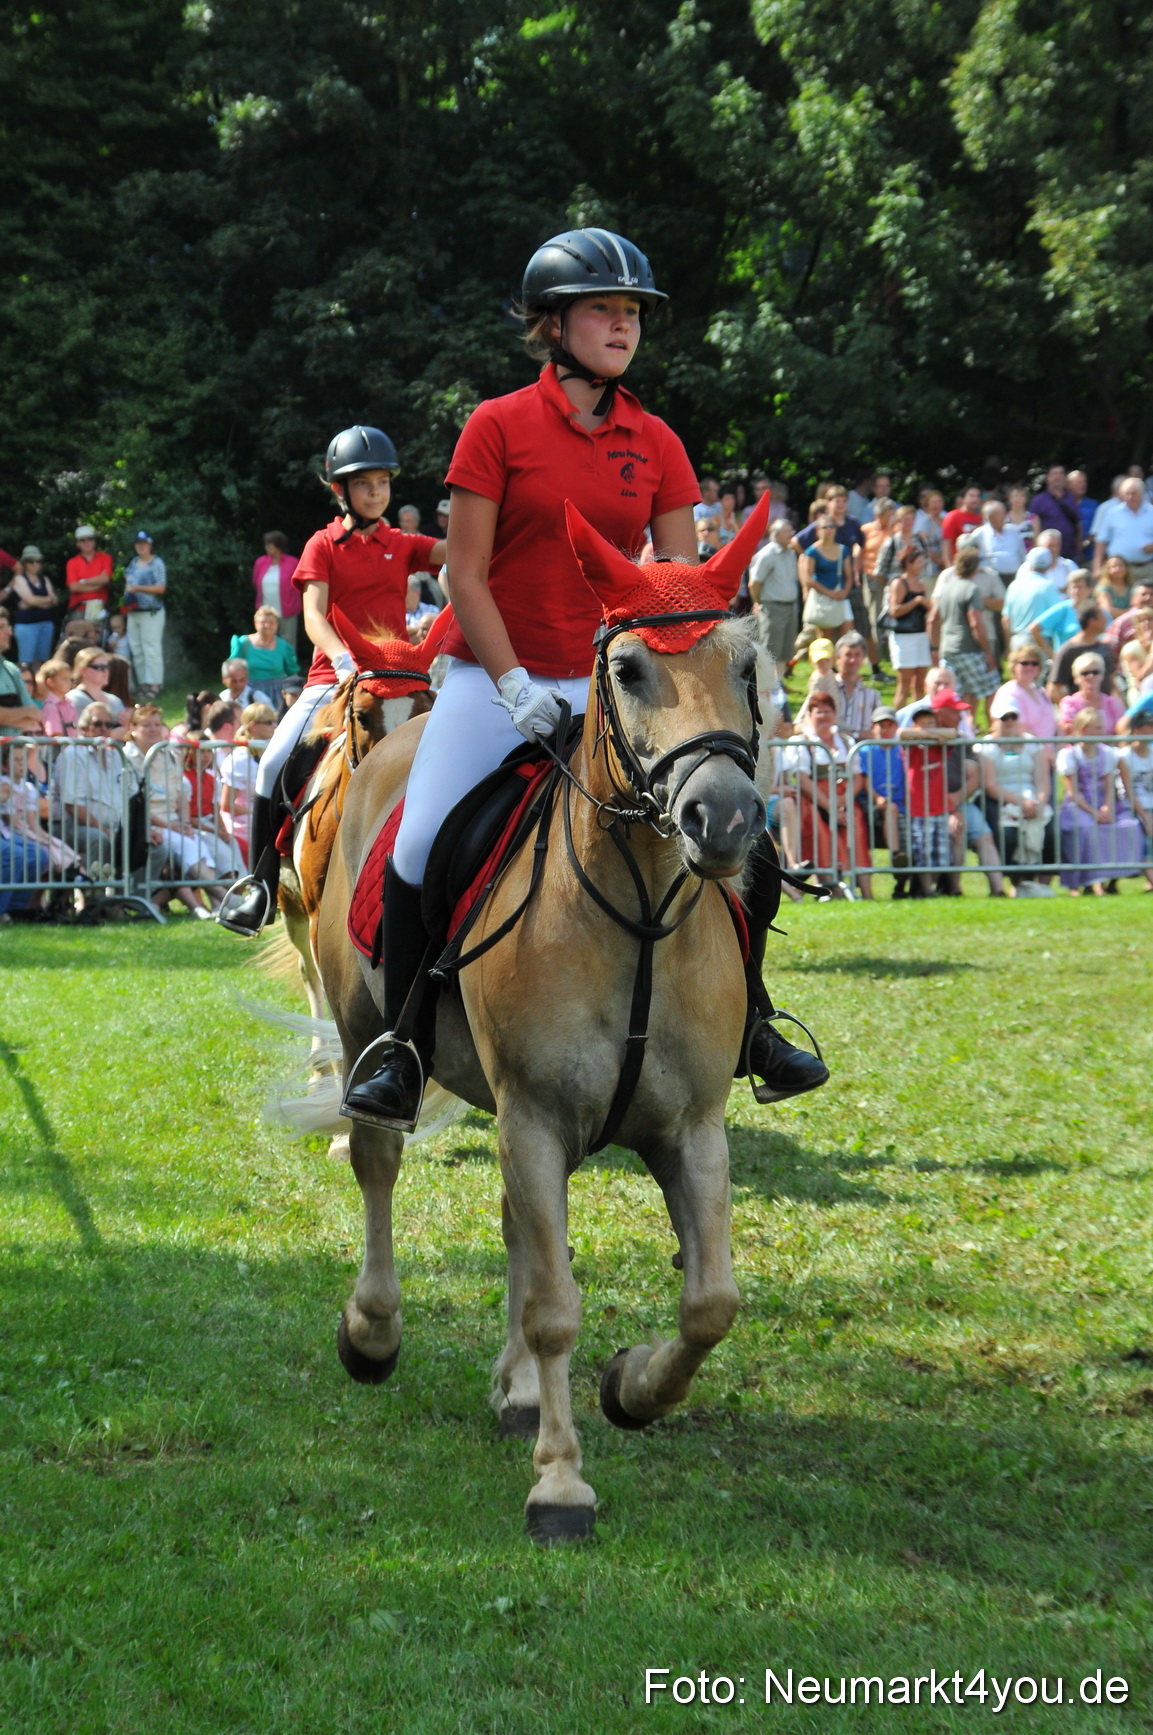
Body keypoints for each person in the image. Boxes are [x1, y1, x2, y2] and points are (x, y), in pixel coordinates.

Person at [340, 226, 827, 1128]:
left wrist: (712, 683)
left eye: (633, 311)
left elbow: (684, 597)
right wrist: (514, 680)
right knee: (419, 842)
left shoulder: (657, 440)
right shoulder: (497, 426)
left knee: (742, 840)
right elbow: (466, 574)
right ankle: (402, 1046)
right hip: (495, 679)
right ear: (552, 324)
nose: (623, 325)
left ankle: (754, 1022)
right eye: (603, 308)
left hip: (618, 685)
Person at [217, 424, 447, 936]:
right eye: (365, 484)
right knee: (271, 763)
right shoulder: (322, 544)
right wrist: (343, 658)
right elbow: (314, 614)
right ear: (340, 489)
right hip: (334, 677)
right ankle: (257, 886)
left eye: (383, 483)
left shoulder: (401, 543)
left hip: (399, 680)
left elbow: (461, 550)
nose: (376, 493)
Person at [123, 705, 217, 917]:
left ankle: (217, 902)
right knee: (181, 845)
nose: (153, 729)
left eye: (157, 724)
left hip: (173, 823)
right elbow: (134, 804)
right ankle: (214, 898)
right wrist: (172, 826)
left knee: (200, 842)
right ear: (133, 727)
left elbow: (181, 795)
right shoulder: (125, 758)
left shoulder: (168, 756)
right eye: (146, 725)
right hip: (145, 824)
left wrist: (183, 824)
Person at [781, 690, 873, 895]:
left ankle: (867, 891)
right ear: (810, 715)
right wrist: (830, 806)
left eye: (828, 711)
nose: (823, 716)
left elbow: (857, 777)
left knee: (856, 826)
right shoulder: (801, 742)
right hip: (814, 800)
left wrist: (843, 801)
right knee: (820, 831)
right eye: (818, 712)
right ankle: (830, 889)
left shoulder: (847, 742)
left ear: (835, 713)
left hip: (845, 799)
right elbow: (803, 781)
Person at [1057, 707, 1144, 892]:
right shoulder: (1069, 755)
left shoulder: (1107, 753)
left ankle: (1113, 879)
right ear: (1083, 729)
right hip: (1080, 806)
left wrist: (1107, 808)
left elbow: (1108, 785)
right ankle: (1086, 882)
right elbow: (1073, 792)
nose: (1101, 732)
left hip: (1103, 803)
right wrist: (1094, 812)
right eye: (1096, 727)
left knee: (1130, 826)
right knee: (1087, 829)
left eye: (1101, 727)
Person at [974, 696, 1053, 889]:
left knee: (1051, 831)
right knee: (1008, 835)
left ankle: (1043, 885)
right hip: (1000, 799)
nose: (1009, 721)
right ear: (994, 720)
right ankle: (1016, 882)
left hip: (1032, 797)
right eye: (1004, 718)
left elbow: (1043, 778)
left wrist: (1040, 802)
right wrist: (1020, 803)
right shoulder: (985, 746)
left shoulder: (1032, 743)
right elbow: (990, 785)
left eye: (1013, 716)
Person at [929, 546, 1000, 725]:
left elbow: (932, 620)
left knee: (962, 693)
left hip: (948, 648)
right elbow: (975, 623)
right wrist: (988, 652)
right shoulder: (972, 589)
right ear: (975, 568)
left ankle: (966, 728)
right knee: (993, 688)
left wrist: (935, 647)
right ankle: (994, 729)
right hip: (968, 648)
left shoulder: (946, 588)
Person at [51, 703, 123, 874]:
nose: (104, 729)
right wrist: (103, 829)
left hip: (111, 826)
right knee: (99, 839)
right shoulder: (73, 754)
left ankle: (130, 896)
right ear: (83, 728)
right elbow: (73, 806)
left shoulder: (116, 756)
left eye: (109, 725)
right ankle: (90, 892)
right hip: (70, 826)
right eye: (98, 724)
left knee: (144, 842)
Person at [855, 706, 910, 895]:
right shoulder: (864, 751)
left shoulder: (902, 751)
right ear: (873, 727)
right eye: (881, 725)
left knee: (911, 841)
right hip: (871, 805)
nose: (885, 729)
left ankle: (902, 885)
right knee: (891, 809)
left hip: (901, 806)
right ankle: (895, 854)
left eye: (889, 725)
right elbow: (864, 779)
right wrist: (878, 798)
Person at [218, 702, 277, 867]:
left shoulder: (270, 752)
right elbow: (227, 805)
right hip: (242, 825)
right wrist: (259, 811)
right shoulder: (240, 759)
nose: (275, 726)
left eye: (274, 721)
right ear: (254, 727)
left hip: (259, 819)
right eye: (269, 722)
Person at [795, 513, 851, 657]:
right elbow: (808, 578)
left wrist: (844, 591)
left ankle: (841, 662)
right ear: (818, 531)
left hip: (840, 596)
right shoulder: (812, 551)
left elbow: (849, 576)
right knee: (826, 636)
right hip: (822, 598)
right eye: (824, 527)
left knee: (848, 633)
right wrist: (828, 592)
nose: (828, 529)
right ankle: (827, 667)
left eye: (831, 526)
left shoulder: (842, 550)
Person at [747, 518, 800, 667]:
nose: (791, 534)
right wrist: (759, 602)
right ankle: (768, 687)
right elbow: (755, 583)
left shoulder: (790, 552)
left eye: (791, 531)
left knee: (785, 649)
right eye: (786, 531)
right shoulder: (767, 554)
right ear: (775, 535)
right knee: (770, 649)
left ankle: (779, 685)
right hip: (772, 607)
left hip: (790, 606)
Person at [121, 530, 167, 700]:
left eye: (144, 543)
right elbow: (128, 581)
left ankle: (155, 684)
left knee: (151, 648)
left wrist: (138, 588)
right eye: (138, 543)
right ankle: (143, 684)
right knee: (137, 649)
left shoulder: (157, 563)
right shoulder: (134, 562)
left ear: (150, 545)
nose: (141, 546)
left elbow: (161, 588)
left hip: (151, 612)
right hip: (134, 611)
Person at [886, 546, 932, 710]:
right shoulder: (899, 583)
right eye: (919, 561)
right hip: (904, 637)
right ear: (908, 563)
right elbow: (894, 611)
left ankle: (917, 717)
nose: (922, 565)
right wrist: (916, 601)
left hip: (921, 635)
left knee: (920, 683)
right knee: (904, 684)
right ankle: (896, 719)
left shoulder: (921, 584)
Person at [228, 608, 299, 707]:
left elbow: (292, 672)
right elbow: (232, 669)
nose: (267, 625)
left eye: (271, 622)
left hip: (277, 694)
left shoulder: (284, 646)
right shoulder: (243, 643)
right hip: (249, 693)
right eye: (263, 622)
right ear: (255, 623)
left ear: (277, 625)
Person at [1092, 476, 1153, 587]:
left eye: (1133, 493)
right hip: (1120, 571)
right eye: (1126, 493)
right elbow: (1101, 542)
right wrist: (1097, 568)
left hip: (1148, 568)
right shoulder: (1113, 513)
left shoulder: (1151, 512)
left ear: (1142, 493)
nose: (1130, 497)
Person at [1048, 606, 1117, 700]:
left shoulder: (1104, 647)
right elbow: (1054, 689)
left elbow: (1112, 682)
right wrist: (1073, 708)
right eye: (1102, 617)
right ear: (1092, 621)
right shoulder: (1068, 650)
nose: (1106, 620)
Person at [992, 643, 1058, 739]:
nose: (1030, 667)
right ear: (1014, 666)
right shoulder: (1008, 692)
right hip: (1029, 748)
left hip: (1051, 747)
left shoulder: (1041, 691)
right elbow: (1019, 728)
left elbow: (1054, 721)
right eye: (1024, 663)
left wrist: (1061, 743)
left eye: (1034, 663)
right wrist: (1042, 748)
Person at [1119, 707, 1153, 887]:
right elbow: (1128, 792)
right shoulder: (1124, 756)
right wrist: (1146, 816)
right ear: (1138, 730)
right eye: (1150, 726)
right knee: (1146, 833)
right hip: (1130, 806)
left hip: (1150, 804)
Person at [251, 532, 302, 651]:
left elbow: (300, 585)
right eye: (266, 545)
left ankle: (289, 670)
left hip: (288, 611)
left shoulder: (292, 562)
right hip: (266, 612)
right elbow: (255, 582)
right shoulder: (261, 562)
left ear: (278, 546)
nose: (267, 547)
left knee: (287, 644)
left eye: (270, 545)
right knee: (265, 642)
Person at [10, 547, 58, 669]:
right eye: (32, 561)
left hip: (46, 624)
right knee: (26, 663)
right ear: (25, 563)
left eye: (39, 561)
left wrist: (33, 601)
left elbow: (55, 600)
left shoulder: (44, 579)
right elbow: (32, 599)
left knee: (43, 662)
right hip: (26, 626)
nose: (36, 564)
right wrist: (46, 600)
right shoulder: (19, 579)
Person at [1030, 570, 1094, 657]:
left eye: (1080, 587)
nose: (1076, 591)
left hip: (1092, 662)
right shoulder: (1062, 609)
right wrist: (1051, 655)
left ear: (1089, 589)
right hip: (1066, 661)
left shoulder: (1097, 611)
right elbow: (1034, 629)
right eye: (1073, 587)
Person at [1057, 652, 1125, 734]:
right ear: (1076, 678)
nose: (1091, 676)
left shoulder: (1112, 703)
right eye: (1085, 673)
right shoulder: (1069, 703)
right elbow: (1070, 731)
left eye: (1095, 672)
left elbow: (1122, 731)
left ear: (1102, 675)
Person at [1003, 547, 1061, 638]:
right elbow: (1058, 618)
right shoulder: (1050, 587)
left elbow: (1006, 619)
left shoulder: (1014, 585)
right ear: (1049, 565)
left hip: (1017, 640)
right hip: (1040, 642)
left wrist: (1009, 645)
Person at [0, 612, 42, 737]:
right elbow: (29, 711)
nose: (9, 633)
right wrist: (25, 712)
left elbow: (35, 715)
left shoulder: (11, 669)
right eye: (1, 627)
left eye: (8, 627)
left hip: (10, 755)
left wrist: (4, 717)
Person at [1029, 464, 1082, 561]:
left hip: (1071, 554)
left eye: (1061, 473)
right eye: (1054, 474)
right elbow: (1034, 528)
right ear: (1048, 478)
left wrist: (1080, 550)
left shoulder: (1071, 498)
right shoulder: (1038, 500)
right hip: (1047, 555)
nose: (1058, 477)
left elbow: (1077, 524)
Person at [833, 632, 880, 737]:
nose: (852, 660)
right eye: (848, 655)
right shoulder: (826, 689)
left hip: (861, 751)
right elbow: (800, 724)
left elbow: (880, 731)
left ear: (863, 659)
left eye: (857, 655)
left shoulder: (872, 696)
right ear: (838, 658)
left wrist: (853, 735)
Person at [67, 646, 127, 729]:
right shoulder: (73, 699)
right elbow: (78, 732)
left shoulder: (115, 701)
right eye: (100, 667)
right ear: (83, 670)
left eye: (107, 667)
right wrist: (112, 735)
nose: (106, 671)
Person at [65, 526, 114, 622]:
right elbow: (74, 587)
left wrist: (82, 581)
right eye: (82, 540)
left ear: (94, 541)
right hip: (78, 609)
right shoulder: (72, 562)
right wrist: (97, 585)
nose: (86, 542)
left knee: (98, 636)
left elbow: (105, 579)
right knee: (77, 637)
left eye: (90, 539)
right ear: (78, 543)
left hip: (99, 608)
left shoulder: (105, 558)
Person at [1104, 581, 1153, 650]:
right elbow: (1111, 648)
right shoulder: (1122, 622)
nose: (1148, 598)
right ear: (1133, 599)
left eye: (1152, 594)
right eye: (1143, 594)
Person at [941, 485, 983, 564]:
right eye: (971, 496)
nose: (975, 499)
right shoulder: (952, 516)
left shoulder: (980, 518)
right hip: (958, 564)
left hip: (976, 564)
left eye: (977, 496)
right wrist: (949, 566)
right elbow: (946, 544)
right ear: (963, 498)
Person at [38, 659, 79, 737]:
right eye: (64, 679)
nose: (69, 683)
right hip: (59, 748)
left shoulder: (69, 703)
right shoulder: (50, 706)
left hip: (72, 746)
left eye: (70, 679)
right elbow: (54, 734)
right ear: (50, 682)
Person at [1095, 553, 1132, 617]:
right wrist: (1132, 612)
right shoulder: (1103, 589)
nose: (1118, 569)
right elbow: (1108, 611)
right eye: (1114, 566)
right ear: (1107, 570)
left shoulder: (1132, 587)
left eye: (1121, 566)